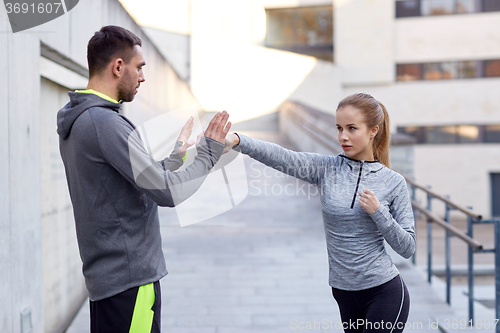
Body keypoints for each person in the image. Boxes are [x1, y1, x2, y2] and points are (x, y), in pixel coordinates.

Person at [57, 25, 231, 333]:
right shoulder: (105, 123)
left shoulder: (83, 118)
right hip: (129, 282)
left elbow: (132, 183)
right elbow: (166, 193)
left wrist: (177, 157)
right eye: (139, 67)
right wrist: (209, 153)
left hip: (111, 282)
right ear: (118, 66)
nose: (143, 76)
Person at [224, 93, 415, 333]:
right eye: (339, 128)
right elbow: (282, 156)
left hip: (384, 291)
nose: (343, 136)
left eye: (352, 128)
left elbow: (408, 247)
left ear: (373, 130)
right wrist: (238, 140)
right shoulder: (326, 169)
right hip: (344, 293)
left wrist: (379, 213)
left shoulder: (393, 181)